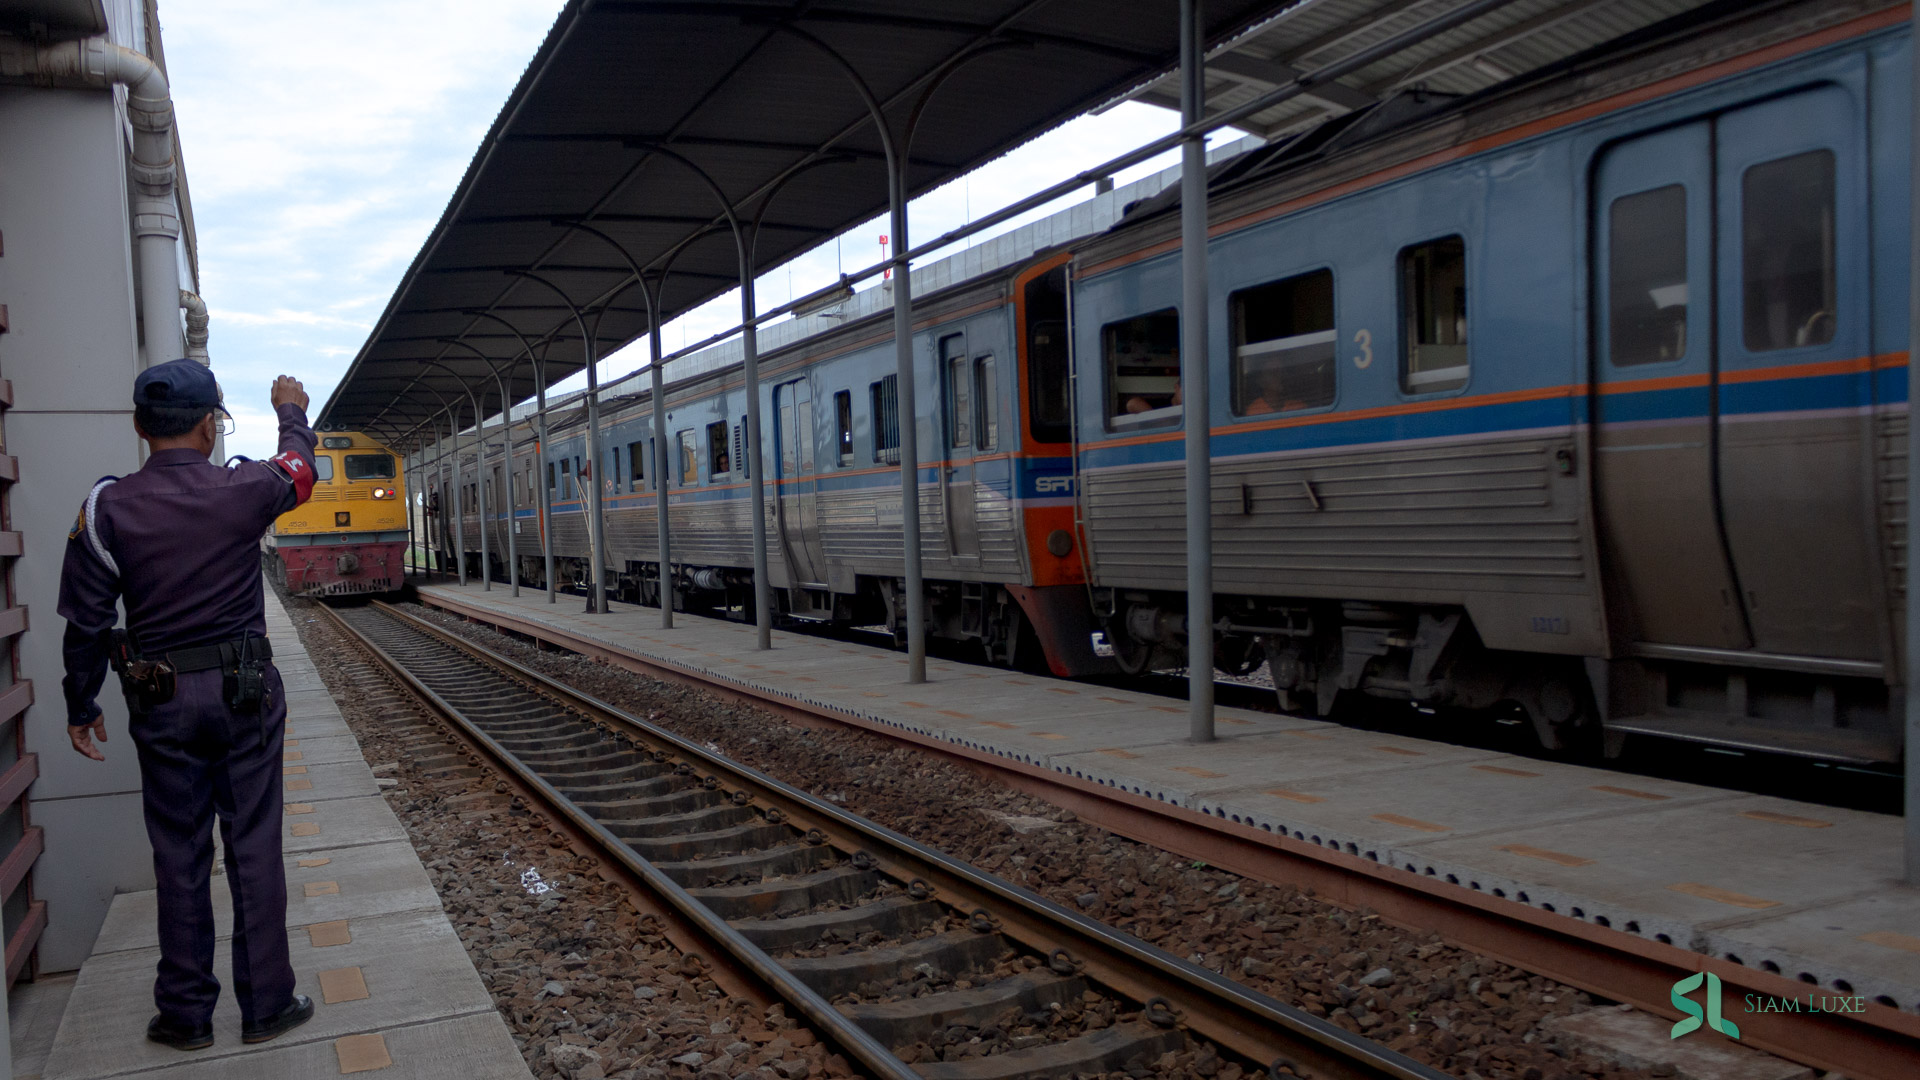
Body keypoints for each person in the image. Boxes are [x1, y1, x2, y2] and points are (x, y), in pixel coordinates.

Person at [58, 360, 319, 1051]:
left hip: (160, 700)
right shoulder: (244, 489)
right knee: (254, 847)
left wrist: (81, 705)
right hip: (245, 697)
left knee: (178, 855)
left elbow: (86, 623)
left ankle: (185, 1016)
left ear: (140, 427)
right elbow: (300, 466)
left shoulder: (105, 508)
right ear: (211, 426)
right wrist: (290, 408)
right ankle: (266, 1005)